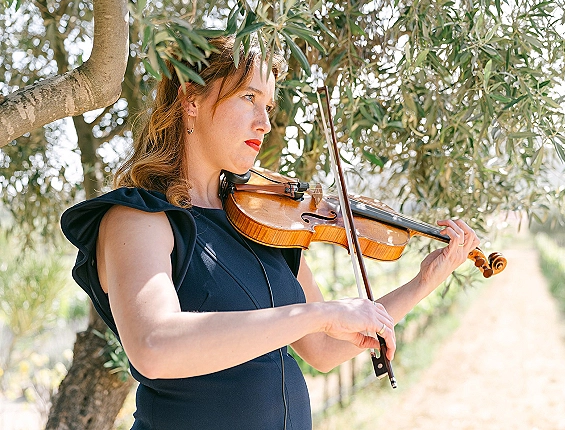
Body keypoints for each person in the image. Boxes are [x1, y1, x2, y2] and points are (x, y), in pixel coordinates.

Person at [61, 35, 480, 430]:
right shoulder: (139, 218)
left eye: (269, 106)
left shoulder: (266, 223)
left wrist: (425, 282)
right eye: (248, 98)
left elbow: (323, 349)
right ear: (191, 98)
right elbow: (154, 346)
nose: (263, 122)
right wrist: (324, 312)